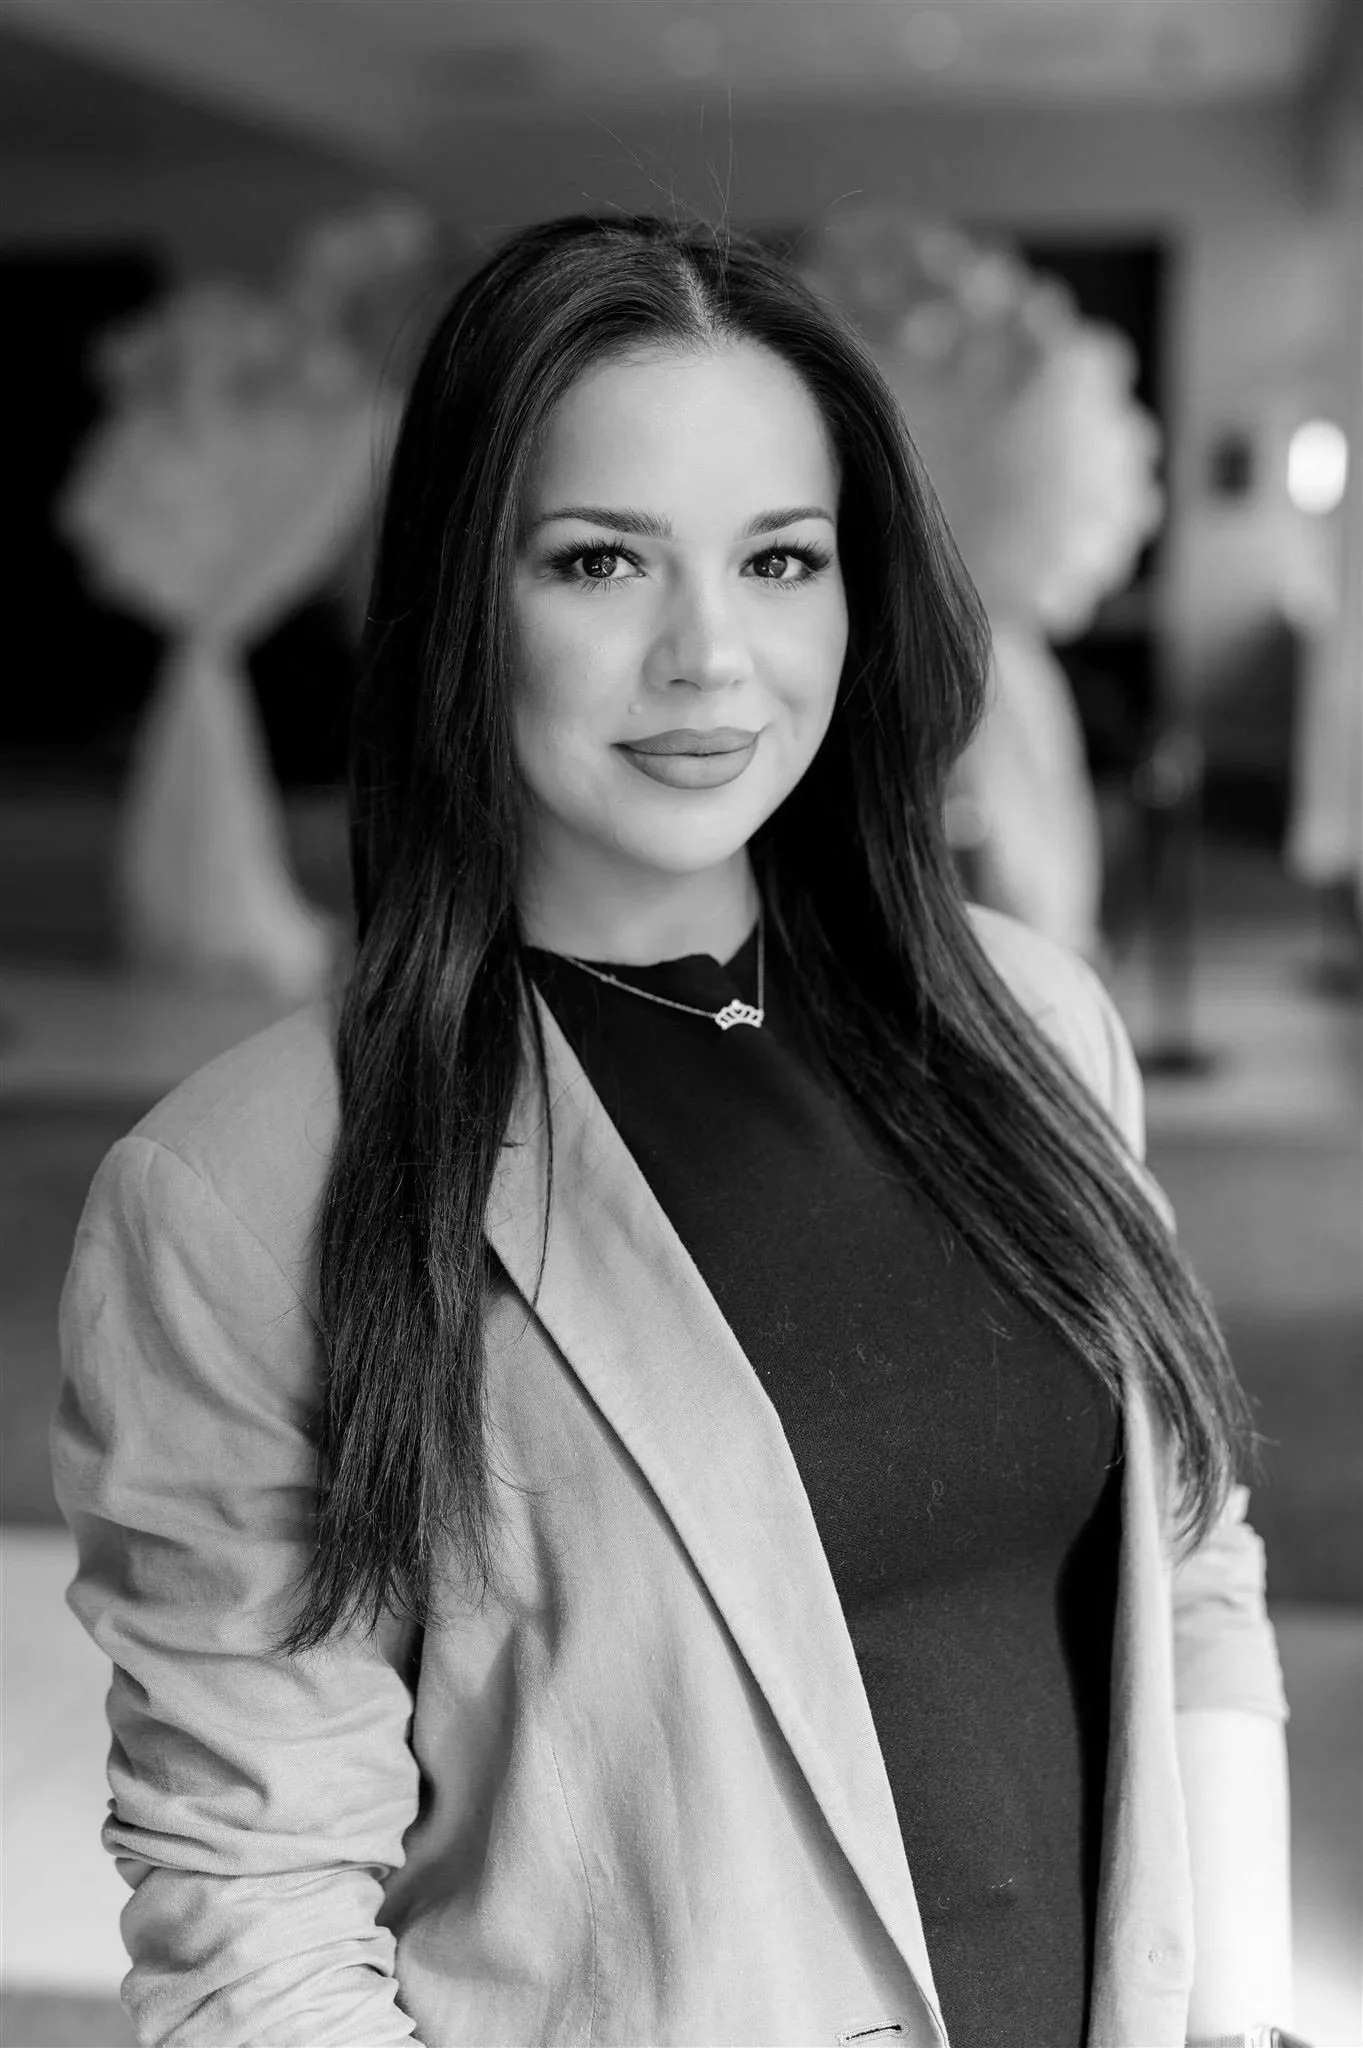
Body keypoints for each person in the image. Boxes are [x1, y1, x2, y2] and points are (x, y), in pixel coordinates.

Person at [53, 216, 1296, 2048]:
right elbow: (259, 1918)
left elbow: (1189, 1567)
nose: (708, 655)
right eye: (599, 561)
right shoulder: (247, 1189)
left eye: (779, 558)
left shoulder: (1029, 1023)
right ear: (462, 605)